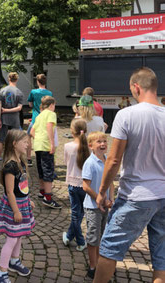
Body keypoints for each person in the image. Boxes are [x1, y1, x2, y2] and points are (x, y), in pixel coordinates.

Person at [93, 67, 165, 283]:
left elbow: (114, 160)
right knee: (161, 254)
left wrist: (102, 191)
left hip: (136, 196)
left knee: (109, 249)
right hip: (163, 195)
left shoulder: (127, 115)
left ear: (136, 87)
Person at [0, 130, 35, 283]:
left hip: (22, 203)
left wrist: (27, 199)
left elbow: (22, 185)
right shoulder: (10, 167)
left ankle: (14, 261)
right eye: (24, 142)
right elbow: (10, 191)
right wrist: (17, 211)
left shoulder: (20, 161)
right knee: (12, 238)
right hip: (14, 206)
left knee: (19, 235)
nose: (27, 144)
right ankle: (2, 273)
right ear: (14, 144)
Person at [82, 131, 114, 280]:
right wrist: (99, 199)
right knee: (93, 238)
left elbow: (111, 182)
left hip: (105, 206)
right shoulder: (90, 163)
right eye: (99, 142)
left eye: (104, 141)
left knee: (102, 237)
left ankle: (101, 264)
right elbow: (85, 187)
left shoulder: (107, 160)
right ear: (91, 145)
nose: (102, 144)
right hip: (92, 207)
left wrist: (111, 199)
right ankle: (93, 266)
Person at [62, 118, 89, 251]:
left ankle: (80, 240)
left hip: (73, 183)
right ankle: (68, 235)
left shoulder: (68, 146)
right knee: (80, 213)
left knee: (75, 213)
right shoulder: (89, 148)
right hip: (86, 184)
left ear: (72, 132)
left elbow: (66, 163)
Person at [30, 96, 61, 209]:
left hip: (38, 145)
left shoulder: (39, 115)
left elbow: (32, 131)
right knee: (48, 170)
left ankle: (42, 191)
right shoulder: (51, 114)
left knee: (41, 169)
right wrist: (51, 143)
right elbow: (49, 127)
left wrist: (38, 139)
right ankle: (48, 198)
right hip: (46, 145)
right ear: (52, 105)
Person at [0, 72, 24, 170]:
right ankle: (17, 161)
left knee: (0, 140)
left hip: (4, 118)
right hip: (15, 119)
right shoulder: (19, 92)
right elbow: (19, 108)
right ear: (17, 79)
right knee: (16, 140)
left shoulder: (2, 91)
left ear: (8, 79)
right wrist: (9, 110)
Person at [27, 74, 53, 166]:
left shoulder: (33, 92)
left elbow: (30, 104)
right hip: (46, 118)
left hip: (35, 118)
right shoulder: (50, 93)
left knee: (28, 136)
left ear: (37, 82)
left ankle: (29, 158)